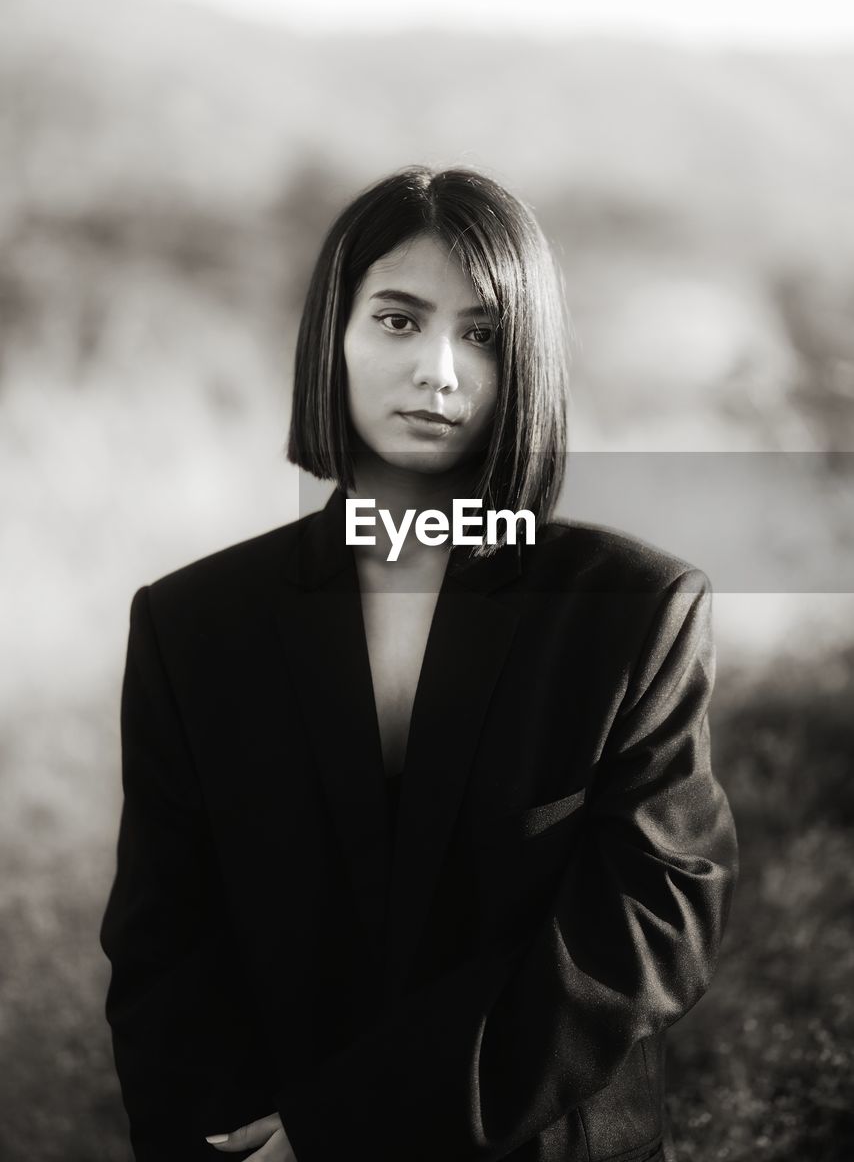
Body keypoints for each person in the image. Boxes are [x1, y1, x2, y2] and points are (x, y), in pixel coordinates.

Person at [100, 166, 738, 1162]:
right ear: (334, 336)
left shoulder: (630, 611)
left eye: (481, 333)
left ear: (522, 361)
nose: (438, 368)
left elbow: (651, 921)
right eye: (397, 320)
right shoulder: (191, 623)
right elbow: (161, 946)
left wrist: (345, 1127)